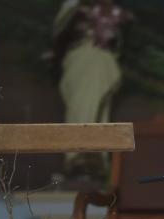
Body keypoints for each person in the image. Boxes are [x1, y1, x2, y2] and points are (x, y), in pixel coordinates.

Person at [51, 0, 133, 174]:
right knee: (82, 107)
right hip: (83, 58)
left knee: (100, 110)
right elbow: (61, 31)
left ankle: (96, 158)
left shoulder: (112, 10)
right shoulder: (74, 7)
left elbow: (118, 39)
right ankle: (78, 156)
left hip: (103, 60)